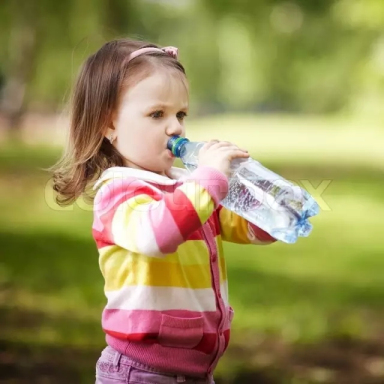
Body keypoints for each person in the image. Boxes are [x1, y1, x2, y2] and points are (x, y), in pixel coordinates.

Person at [51, 38, 276, 384]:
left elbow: (244, 227)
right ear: (108, 125)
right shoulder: (118, 193)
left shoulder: (188, 186)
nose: (176, 128)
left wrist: (267, 205)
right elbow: (158, 234)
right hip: (140, 371)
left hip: (198, 372)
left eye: (180, 114)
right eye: (158, 114)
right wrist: (209, 180)